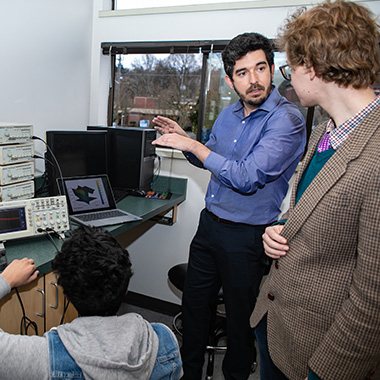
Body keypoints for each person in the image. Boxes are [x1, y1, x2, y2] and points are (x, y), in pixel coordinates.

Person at [152, 32, 306, 380]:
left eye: (261, 68)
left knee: (240, 322)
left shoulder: (287, 120)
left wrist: (195, 147)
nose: (253, 79)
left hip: (247, 236)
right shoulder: (227, 116)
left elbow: (246, 176)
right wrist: (188, 143)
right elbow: (210, 162)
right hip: (210, 227)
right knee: (193, 311)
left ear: (271, 69)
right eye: (242, 72)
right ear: (230, 79)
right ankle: (188, 374)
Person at [250, 2, 380, 380]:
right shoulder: (326, 130)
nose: (289, 80)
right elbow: (312, 207)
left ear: (315, 67)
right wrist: (280, 225)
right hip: (277, 322)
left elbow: (373, 296)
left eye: (290, 68)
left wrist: (327, 372)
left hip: (322, 353)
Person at [0, 225, 182, 380]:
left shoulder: (44, 358)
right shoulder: (165, 340)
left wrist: (6, 280)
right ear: (125, 289)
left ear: (66, 295)